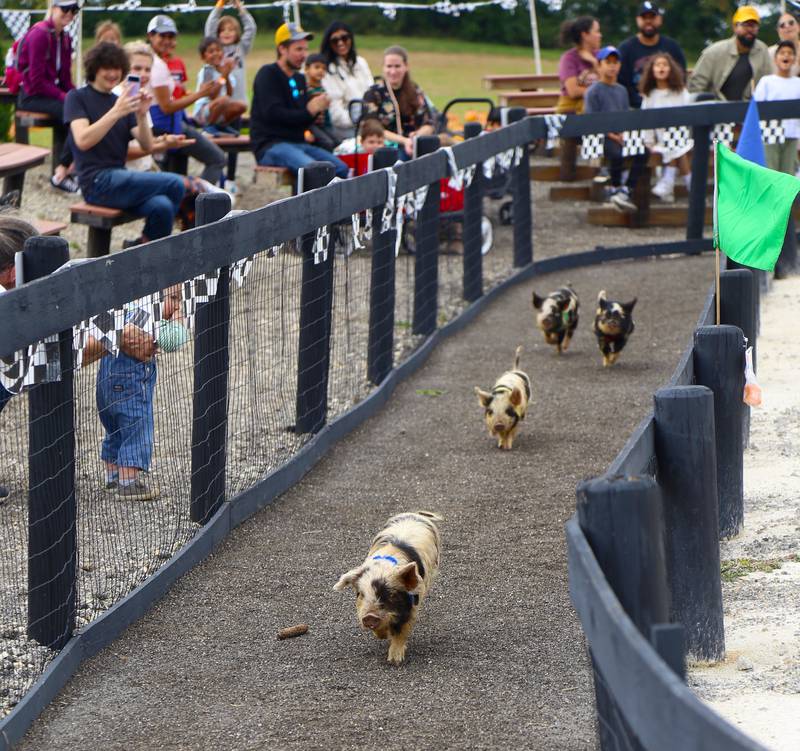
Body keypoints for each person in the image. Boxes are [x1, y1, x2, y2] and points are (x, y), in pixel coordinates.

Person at [65, 42, 186, 245]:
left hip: (119, 178)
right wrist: (116, 112)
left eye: (117, 68)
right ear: (94, 68)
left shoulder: (121, 101)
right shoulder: (77, 97)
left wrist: (141, 113)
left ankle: (139, 248)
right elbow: (83, 140)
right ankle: (162, 254)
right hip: (95, 182)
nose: (112, 74)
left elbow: (147, 146)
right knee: (175, 183)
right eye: (107, 68)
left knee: (163, 206)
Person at [97, 284, 187, 501]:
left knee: (114, 426)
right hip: (133, 384)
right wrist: (177, 318)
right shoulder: (151, 315)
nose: (177, 304)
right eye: (174, 299)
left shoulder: (127, 307)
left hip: (105, 381)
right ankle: (128, 483)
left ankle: (112, 477)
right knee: (137, 426)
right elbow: (173, 341)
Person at [250, 22, 348, 178]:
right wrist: (310, 110)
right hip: (271, 145)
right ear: (282, 49)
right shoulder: (268, 74)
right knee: (316, 171)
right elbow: (273, 115)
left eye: (305, 49)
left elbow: (301, 119)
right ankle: (311, 203)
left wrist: (316, 112)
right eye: (298, 49)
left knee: (341, 168)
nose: (304, 55)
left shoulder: (299, 79)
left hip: (299, 144)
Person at [147, 15, 227, 186]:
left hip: (173, 122)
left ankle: (187, 204)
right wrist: (199, 94)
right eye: (162, 36)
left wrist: (190, 94)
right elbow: (166, 107)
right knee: (217, 159)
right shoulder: (156, 65)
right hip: (164, 127)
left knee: (176, 176)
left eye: (171, 36)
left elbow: (175, 96)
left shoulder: (169, 62)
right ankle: (196, 202)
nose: (167, 41)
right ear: (150, 36)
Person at [16, 0, 80, 193]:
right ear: (53, 8)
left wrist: (76, 94)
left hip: (49, 93)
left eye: (74, 10)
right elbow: (35, 81)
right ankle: (63, 173)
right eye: (65, 9)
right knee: (74, 113)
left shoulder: (66, 38)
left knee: (77, 108)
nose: (70, 14)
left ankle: (63, 172)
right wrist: (64, 97)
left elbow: (65, 78)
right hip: (31, 96)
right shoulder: (40, 35)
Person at [584, 46, 649, 214]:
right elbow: (592, 120)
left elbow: (625, 115)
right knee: (615, 152)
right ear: (599, 65)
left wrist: (623, 133)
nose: (612, 66)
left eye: (615, 62)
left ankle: (626, 189)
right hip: (601, 136)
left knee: (644, 152)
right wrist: (611, 135)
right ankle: (614, 187)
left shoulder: (621, 90)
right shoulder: (593, 91)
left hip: (621, 134)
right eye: (608, 62)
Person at [362, 46, 434, 159]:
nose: (393, 71)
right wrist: (404, 141)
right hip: (385, 147)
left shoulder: (415, 90)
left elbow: (429, 123)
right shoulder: (373, 93)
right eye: (389, 66)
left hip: (414, 144)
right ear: (383, 68)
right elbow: (371, 128)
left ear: (406, 66)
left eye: (397, 66)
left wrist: (416, 136)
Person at [688, 6, 772, 101]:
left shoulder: (762, 50)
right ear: (735, 27)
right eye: (745, 25)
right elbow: (696, 86)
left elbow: (768, 83)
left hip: (749, 110)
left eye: (753, 25)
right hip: (717, 109)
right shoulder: (714, 52)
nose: (749, 29)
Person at [640, 52, 692, 202]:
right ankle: (689, 184)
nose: (661, 68)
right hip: (660, 141)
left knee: (676, 146)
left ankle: (668, 183)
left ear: (671, 69)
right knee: (675, 150)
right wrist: (648, 141)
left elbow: (689, 114)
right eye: (657, 65)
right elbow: (646, 121)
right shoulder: (649, 95)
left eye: (665, 65)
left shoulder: (680, 92)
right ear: (652, 70)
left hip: (682, 137)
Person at [617, 2, 686, 108]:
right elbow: (621, 83)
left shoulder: (672, 47)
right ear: (637, 20)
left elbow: (682, 78)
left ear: (660, 19)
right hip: (635, 108)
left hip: (670, 104)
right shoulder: (625, 49)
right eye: (644, 17)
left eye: (652, 17)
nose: (648, 21)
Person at [319, 21, 374, 142]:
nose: (340, 43)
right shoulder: (327, 70)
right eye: (335, 40)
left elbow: (372, 93)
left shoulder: (361, 63)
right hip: (344, 128)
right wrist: (360, 122)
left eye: (344, 38)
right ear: (329, 44)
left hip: (370, 121)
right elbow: (336, 114)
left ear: (351, 39)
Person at [754, 41, 800, 175]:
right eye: (782, 53)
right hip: (770, 133)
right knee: (771, 171)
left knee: (788, 174)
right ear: (775, 58)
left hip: (792, 133)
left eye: (790, 53)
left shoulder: (797, 83)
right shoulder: (767, 81)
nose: (786, 56)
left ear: (795, 59)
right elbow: (757, 107)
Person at [204, 0, 257, 106]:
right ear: (218, 34)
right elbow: (210, 26)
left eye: (231, 30)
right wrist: (220, 4)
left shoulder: (241, 48)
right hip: (219, 103)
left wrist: (239, 7)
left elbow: (251, 28)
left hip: (238, 102)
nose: (227, 32)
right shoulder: (216, 50)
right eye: (222, 30)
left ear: (237, 33)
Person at [193, 36, 246, 133]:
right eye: (211, 52)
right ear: (204, 57)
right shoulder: (207, 71)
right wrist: (224, 75)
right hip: (203, 112)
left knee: (242, 106)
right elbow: (212, 95)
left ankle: (221, 125)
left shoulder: (224, 70)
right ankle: (209, 126)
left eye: (218, 50)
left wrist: (227, 74)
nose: (216, 54)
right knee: (224, 100)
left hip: (218, 108)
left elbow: (229, 93)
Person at [556, 16, 601, 115]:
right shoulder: (568, 58)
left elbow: (609, 82)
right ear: (585, 35)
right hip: (572, 112)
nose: (600, 35)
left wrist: (594, 62)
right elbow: (573, 91)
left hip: (597, 109)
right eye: (597, 31)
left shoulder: (601, 56)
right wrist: (599, 92)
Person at [304, 52, 338, 150]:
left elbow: (326, 113)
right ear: (307, 69)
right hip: (311, 125)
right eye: (317, 67)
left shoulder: (323, 90)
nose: (320, 71)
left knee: (337, 141)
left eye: (323, 68)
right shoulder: (306, 89)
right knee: (327, 142)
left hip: (322, 124)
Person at [768, 12, 800, 76]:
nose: (787, 26)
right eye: (782, 25)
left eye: (791, 23)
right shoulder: (770, 53)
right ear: (778, 31)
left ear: (798, 27)